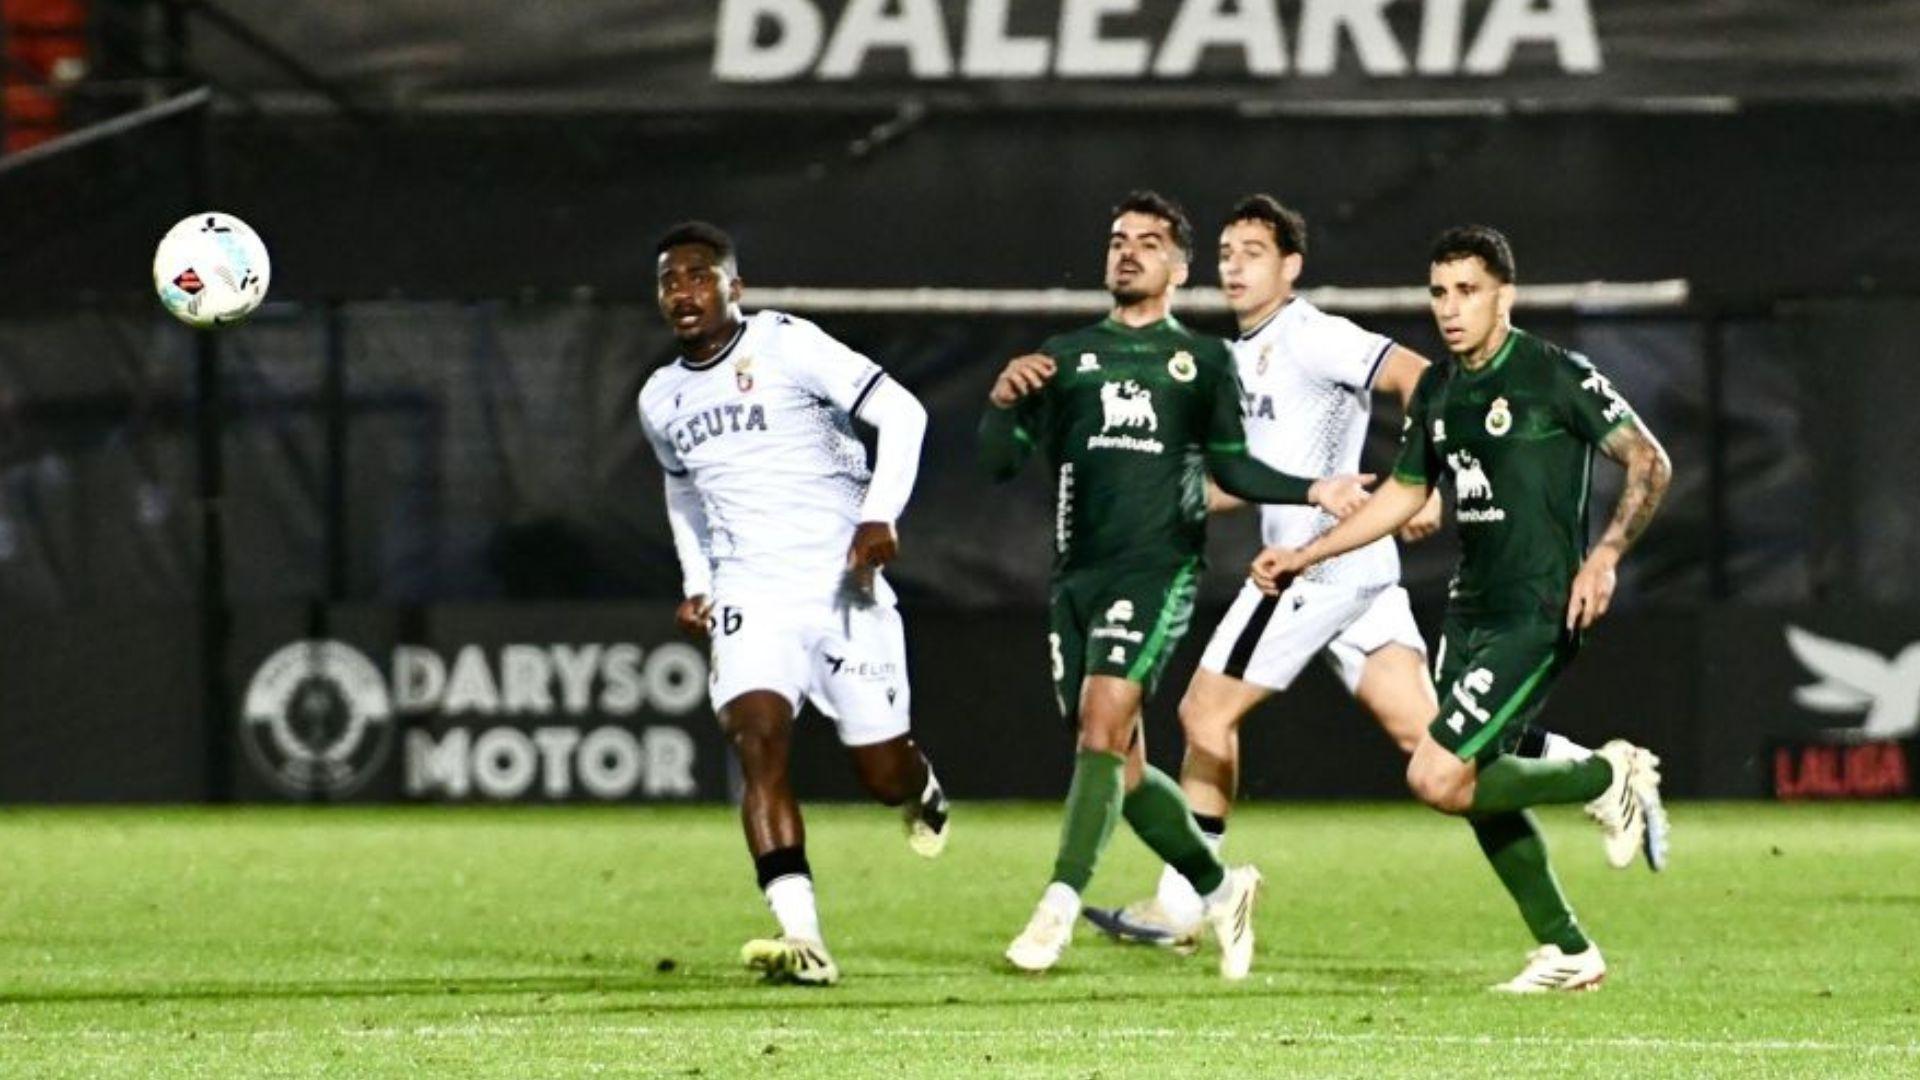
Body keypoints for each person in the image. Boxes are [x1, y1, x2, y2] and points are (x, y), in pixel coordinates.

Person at [1084, 196, 1605, 954]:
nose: (1234, 264)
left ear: (1291, 266)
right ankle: (1595, 772)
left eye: (1253, 251)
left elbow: (1417, 374)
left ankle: (1192, 903)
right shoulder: (1239, 357)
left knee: (1203, 715)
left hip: (1316, 569)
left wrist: (1421, 479)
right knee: (1433, 742)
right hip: (1354, 570)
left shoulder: (1311, 333)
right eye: (1226, 251)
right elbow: (1247, 477)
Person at [1251, 225, 1673, 992]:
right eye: (1440, 292)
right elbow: (1407, 493)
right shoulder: (1442, 391)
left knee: (1437, 776)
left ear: (1503, 297)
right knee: (1475, 784)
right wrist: (1308, 553)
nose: (1450, 308)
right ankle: (1569, 950)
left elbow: (1649, 460)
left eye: (1468, 292)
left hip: (1538, 608)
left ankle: (1604, 777)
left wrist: (1605, 555)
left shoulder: (1554, 376)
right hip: (1468, 613)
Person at [978, 191, 1370, 980]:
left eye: (1148, 243)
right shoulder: (1065, 357)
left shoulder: (1202, 362)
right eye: (1118, 239)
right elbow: (999, 462)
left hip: (1158, 570)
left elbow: (1232, 468)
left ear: (1178, 268)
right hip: (1076, 578)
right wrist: (999, 402)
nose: (1127, 252)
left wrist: (1314, 489)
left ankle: (1055, 906)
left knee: (1100, 727)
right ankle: (1222, 891)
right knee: (1118, 765)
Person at [639, 221, 949, 987]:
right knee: (756, 738)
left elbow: (905, 415)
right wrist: (697, 581)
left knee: (882, 774)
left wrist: (880, 513)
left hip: (843, 586)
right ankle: (802, 936)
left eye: (699, 275)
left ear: (733, 287)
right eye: (670, 280)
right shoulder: (660, 398)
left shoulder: (786, 345)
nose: (683, 290)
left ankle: (919, 788)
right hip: (752, 593)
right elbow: (683, 491)